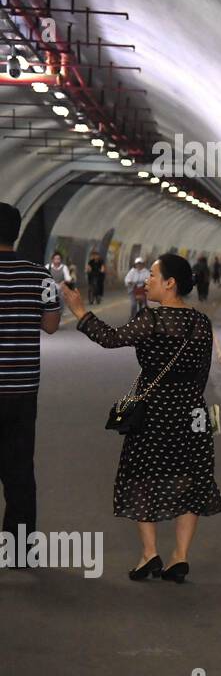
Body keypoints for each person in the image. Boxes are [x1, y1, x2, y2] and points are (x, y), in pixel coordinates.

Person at [62, 254, 221, 582]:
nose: (146, 281)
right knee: (193, 477)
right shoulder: (201, 323)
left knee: (141, 476)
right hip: (193, 409)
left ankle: (150, 554)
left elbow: (111, 338)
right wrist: (190, 403)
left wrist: (81, 312)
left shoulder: (152, 319)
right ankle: (180, 556)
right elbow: (203, 373)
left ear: (170, 283)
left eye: (152, 275)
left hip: (154, 411)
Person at [0, 203, 62, 555]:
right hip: (22, 391)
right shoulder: (40, 275)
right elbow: (52, 326)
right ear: (16, 233)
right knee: (19, 471)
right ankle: (19, 551)